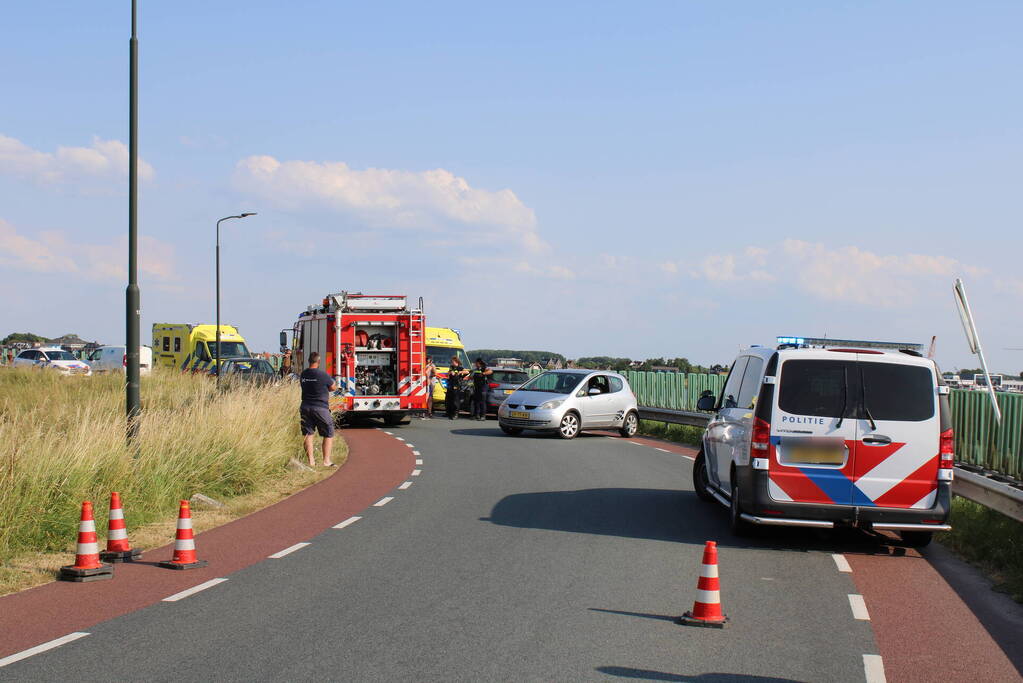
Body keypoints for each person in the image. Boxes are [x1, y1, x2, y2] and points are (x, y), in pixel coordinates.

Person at [299, 352, 337, 467]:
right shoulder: (323, 375)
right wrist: (334, 382)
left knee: (308, 434)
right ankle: (326, 461)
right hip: (320, 408)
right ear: (319, 362)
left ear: (308, 361)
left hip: (305, 407)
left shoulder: (303, 374)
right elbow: (332, 387)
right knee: (328, 432)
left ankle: (311, 462)